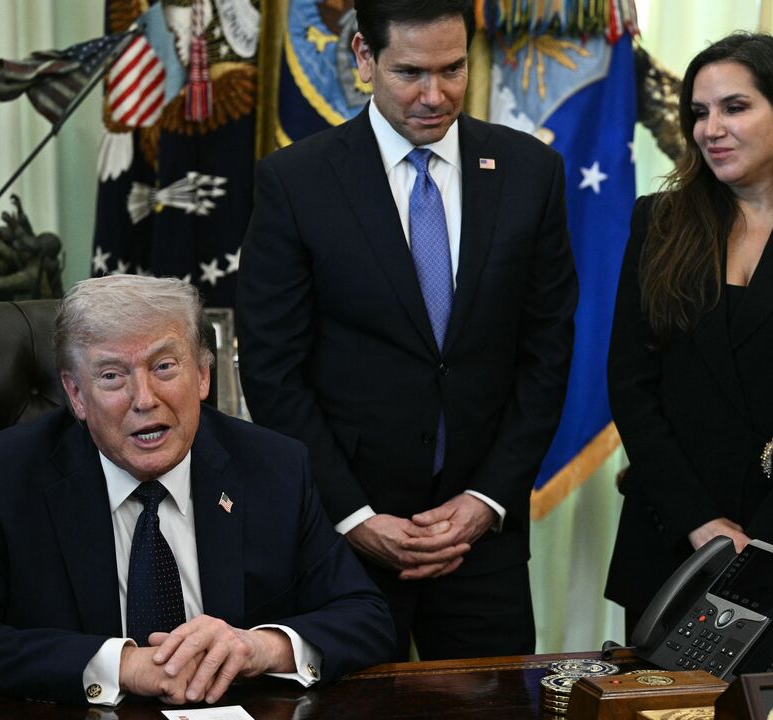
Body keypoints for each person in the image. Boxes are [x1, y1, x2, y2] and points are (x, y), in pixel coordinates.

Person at [236, 0, 577, 660]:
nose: (435, 95)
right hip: (344, 542)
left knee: (495, 705)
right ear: (364, 57)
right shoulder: (296, 181)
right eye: (410, 73)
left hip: (483, 543)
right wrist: (354, 516)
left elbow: (547, 351)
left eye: (453, 69)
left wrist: (487, 499)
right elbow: (273, 369)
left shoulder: (530, 172)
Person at [0, 275, 395, 706]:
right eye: (111, 375)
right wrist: (121, 666)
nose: (144, 399)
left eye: (164, 367)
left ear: (202, 375)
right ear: (76, 394)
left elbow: (366, 616)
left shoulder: (275, 467)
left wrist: (259, 648)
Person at [605, 32, 773, 632]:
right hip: (671, 542)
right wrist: (699, 523)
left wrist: (764, 548)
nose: (711, 129)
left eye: (734, 107)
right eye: (699, 112)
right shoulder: (659, 221)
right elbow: (630, 385)